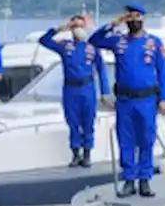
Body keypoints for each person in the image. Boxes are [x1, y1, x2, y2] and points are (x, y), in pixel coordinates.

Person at [89, 4, 165, 198]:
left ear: (143, 18)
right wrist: (113, 23)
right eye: (130, 17)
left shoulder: (154, 43)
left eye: (137, 16)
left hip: (146, 99)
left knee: (146, 139)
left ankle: (144, 180)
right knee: (126, 140)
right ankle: (129, 180)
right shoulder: (118, 42)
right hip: (125, 100)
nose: (133, 20)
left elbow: (163, 72)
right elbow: (95, 40)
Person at [39, 15, 111, 167]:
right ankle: (75, 153)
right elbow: (43, 41)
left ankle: (87, 153)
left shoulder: (93, 48)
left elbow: (101, 70)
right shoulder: (65, 46)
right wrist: (60, 28)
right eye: (75, 26)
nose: (79, 29)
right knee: (72, 122)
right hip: (71, 89)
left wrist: (105, 92)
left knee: (88, 121)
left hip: (87, 89)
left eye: (80, 25)